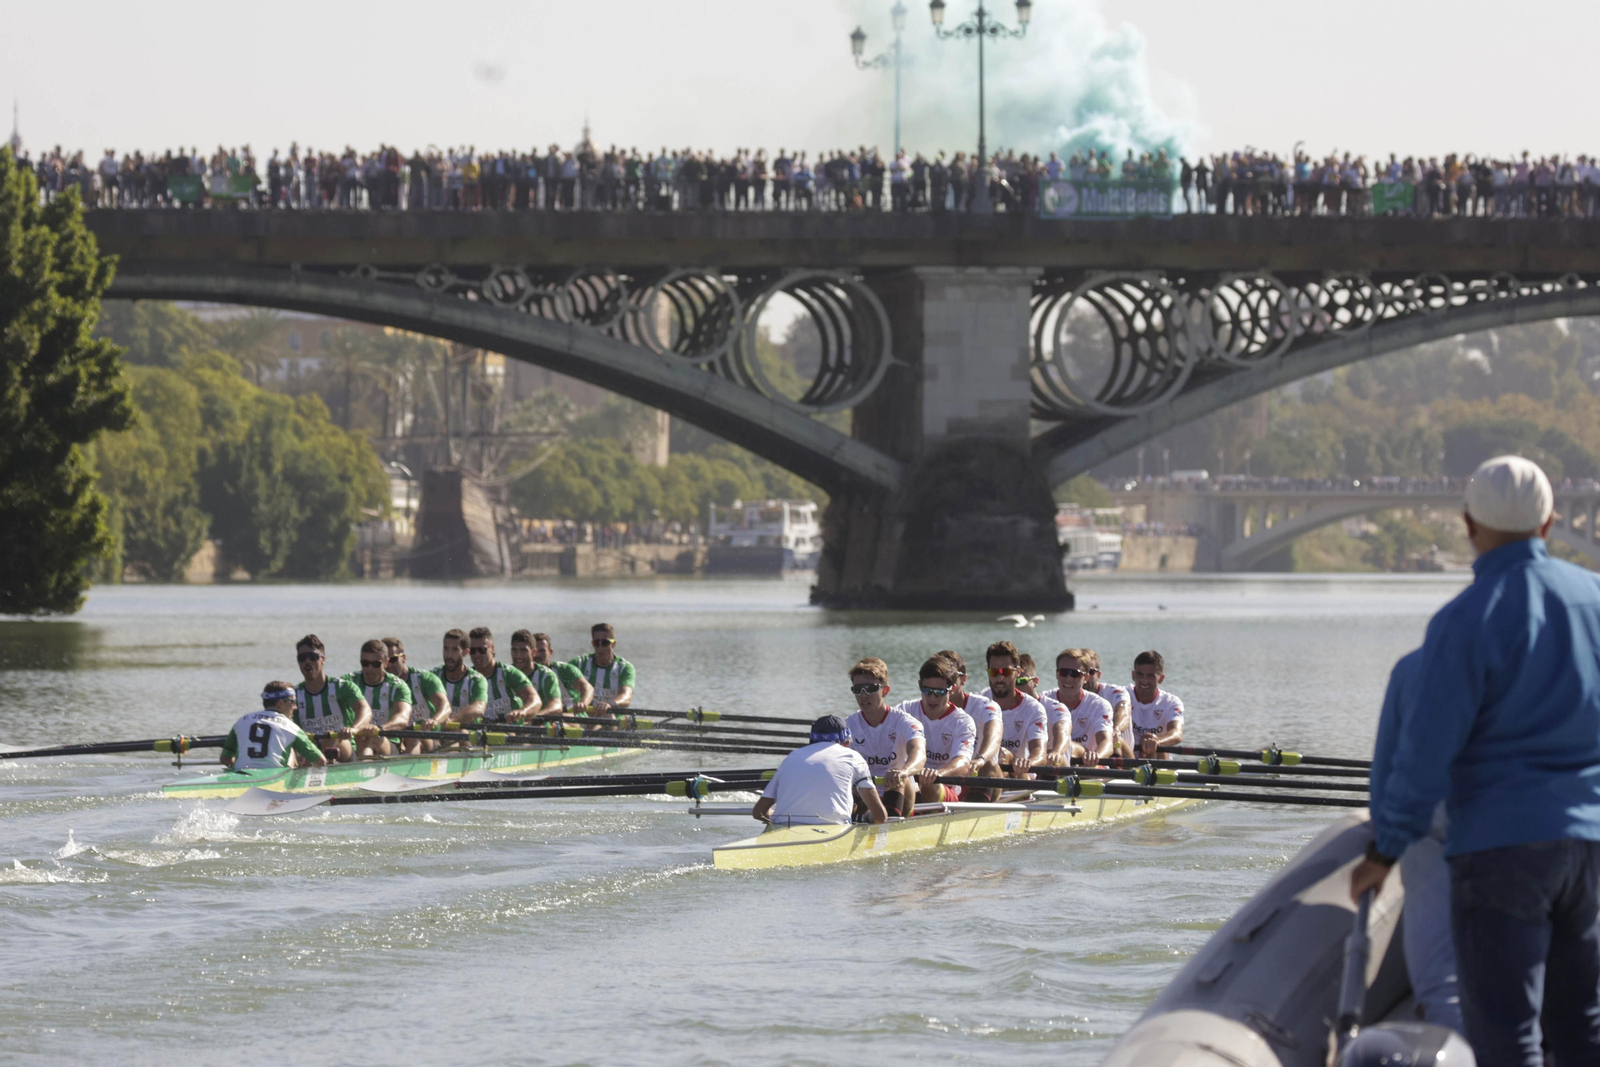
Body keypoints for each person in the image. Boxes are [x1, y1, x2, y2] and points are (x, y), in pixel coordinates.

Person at [1352, 456, 1600, 1066]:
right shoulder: (1593, 600)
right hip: (1590, 844)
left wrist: (1385, 850)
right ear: (1549, 525)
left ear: (1469, 525)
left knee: (1505, 1031)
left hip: (1500, 849)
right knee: (1580, 1027)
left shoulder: (1463, 621)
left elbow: (1425, 755)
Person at [1366, 647, 1464, 1035]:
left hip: (1453, 832)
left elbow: (1389, 783)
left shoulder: (1417, 667)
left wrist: (1383, 850)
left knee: (1444, 985)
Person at [752, 715, 887, 826]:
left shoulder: (792, 757)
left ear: (812, 739)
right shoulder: (853, 756)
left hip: (783, 827)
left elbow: (759, 813)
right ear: (846, 742)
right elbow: (880, 816)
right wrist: (866, 819)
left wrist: (776, 817)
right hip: (834, 831)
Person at [843, 657, 925, 818]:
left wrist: (904, 771)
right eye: (858, 689)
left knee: (895, 778)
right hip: (866, 793)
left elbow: (919, 753)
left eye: (870, 688)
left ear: (885, 690)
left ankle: (882, 823)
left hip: (900, 790)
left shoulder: (905, 722)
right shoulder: (847, 725)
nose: (863, 695)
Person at [898, 657, 977, 804]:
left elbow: (963, 763)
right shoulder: (905, 711)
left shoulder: (963, 721)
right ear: (919, 685)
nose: (932, 697)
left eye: (939, 692)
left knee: (929, 784)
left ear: (952, 689)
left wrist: (937, 774)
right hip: (913, 786)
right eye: (926, 690)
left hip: (945, 788)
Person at [292, 634, 371, 764]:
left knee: (328, 736)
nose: (307, 662)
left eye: (312, 657)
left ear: (322, 659)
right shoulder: (294, 694)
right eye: (302, 658)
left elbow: (365, 709)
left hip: (344, 748)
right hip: (310, 751)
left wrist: (354, 729)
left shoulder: (343, 687)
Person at [982, 641, 1048, 789]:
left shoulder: (1033, 708)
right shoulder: (979, 702)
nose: (999, 678)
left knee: (1004, 755)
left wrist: (1027, 762)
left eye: (1005, 672)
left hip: (1020, 776)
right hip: (988, 773)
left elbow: (1040, 752)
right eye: (994, 672)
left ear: (1018, 672)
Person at [222, 682, 327, 771]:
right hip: (274, 780)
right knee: (290, 750)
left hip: (240, 776)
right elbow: (321, 761)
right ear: (280, 704)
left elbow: (225, 759)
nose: (295, 707)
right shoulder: (292, 728)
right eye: (293, 702)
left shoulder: (241, 721)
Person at [1045, 648, 1114, 767]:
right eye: (1063, 672)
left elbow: (1106, 742)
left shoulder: (1099, 705)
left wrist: (1096, 755)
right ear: (1057, 674)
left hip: (1089, 767)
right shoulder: (1044, 702)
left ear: (1086, 678)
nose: (1068, 679)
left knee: (1069, 747)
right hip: (1054, 764)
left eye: (1075, 674)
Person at [382, 637, 451, 752]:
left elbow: (445, 706)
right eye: (385, 661)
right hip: (396, 740)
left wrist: (434, 720)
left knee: (412, 737)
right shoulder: (377, 685)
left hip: (428, 736)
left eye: (393, 659)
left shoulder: (424, 679)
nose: (389, 666)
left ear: (404, 658)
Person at [345, 638, 411, 757]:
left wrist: (379, 728)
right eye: (365, 663)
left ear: (386, 663)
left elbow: (402, 719)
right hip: (354, 744)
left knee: (371, 738)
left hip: (387, 744)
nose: (369, 668)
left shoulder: (397, 686)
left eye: (376, 664)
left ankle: (363, 771)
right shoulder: (348, 682)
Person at [466, 626, 538, 723]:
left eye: (482, 650)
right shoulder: (467, 678)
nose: (477, 655)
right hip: (480, 732)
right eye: (473, 651)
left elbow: (535, 699)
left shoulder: (509, 673)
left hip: (510, 730)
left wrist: (523, 711)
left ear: (492, 649)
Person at [1127, 651, 1184, 759]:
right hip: (1129, 758)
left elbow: (1177, 734)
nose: (1144, 681)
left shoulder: (1171, 702)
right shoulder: (1122, 696)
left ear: (1161, 678)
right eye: (1140, 675)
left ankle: (1157, 772)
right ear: (1133, 675)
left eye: (1150, 676)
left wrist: (1157, 741)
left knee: (1148, 737)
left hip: (1159, 758)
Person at [570, 622, 634, 718]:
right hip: (584, 716)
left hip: (613, 717)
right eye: (597, 643)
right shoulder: (578, 663)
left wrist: (610, 704)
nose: (600, 647)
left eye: (605, 643)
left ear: (613, 644)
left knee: (608, 715)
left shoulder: (624, 668)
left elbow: (626, 697)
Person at [1082, 651, 1132, 758]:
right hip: (1087, 754)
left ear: (1099, 674)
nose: (1085, 677)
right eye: (1081, 672)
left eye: (1090, 672)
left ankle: (1118, 770)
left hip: (1121, 751)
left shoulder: (1116, 692)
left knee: (1111, 736)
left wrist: (1116, 729)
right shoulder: (1066, 696)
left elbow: (1124, 712)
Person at [434, 629, 487, 724]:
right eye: (446, 649)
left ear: (466, 652)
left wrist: (451, 722)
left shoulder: (476, 680)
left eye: (455, 650)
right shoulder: (433, 676)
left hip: (467, 733)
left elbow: (479, 707)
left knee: (462, 732)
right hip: (438, 732)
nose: (449, 655)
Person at [530, 632, 594, 709]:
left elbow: (587, 688)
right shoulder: (522, 674)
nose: (537, 655)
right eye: (535, 651)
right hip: (545, 717)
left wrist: (583, 703)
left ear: (550, 652)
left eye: (542, 651)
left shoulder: (564, 670)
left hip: (572, 714)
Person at [508, 630, 565, 718]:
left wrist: (533, 715)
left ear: (533, 653)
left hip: (539, 725)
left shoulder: (547, 675)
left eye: (523, 651)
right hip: (512, 725)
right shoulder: (506, 673)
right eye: (514, 650)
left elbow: (557, 706)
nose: (518, 655)